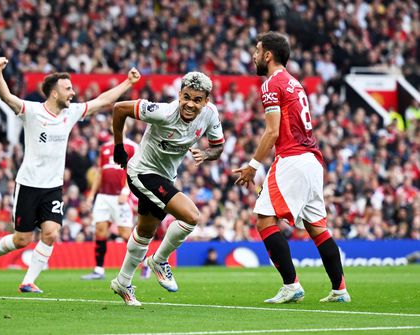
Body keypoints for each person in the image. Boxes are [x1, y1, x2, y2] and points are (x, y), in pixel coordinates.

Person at [0, 56, 141, 293]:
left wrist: (127, 82)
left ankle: (28, 281)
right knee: (22, 239)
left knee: (51, 233)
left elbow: (102, 101)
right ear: (54, 93)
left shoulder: (71, 113)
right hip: (28, 184)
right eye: (68, 89)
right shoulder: (31, 111)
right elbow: (6, 97)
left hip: (53, 187)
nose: (72, 93)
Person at [233, 32, 350, 303]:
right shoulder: (294, 83)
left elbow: (272, 132)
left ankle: (291, 285)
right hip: (312, 161)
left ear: (268, 55)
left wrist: (252, 165)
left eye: (257, 50)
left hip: (292, 158)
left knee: (263, 219)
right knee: (317, 227)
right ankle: (340, 289)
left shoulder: (271, 84)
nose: (253, 55)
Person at [109, 72, 225, 306]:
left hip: (165, 177)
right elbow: (119, 108)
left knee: (145, 232)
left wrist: (206, 154)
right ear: (179, 95)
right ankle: (160, 259)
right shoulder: (162, 112)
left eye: (197, 100)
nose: (190, 104)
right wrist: (119, 146)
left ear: (206, 102)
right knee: (191, 216)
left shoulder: (210, 116)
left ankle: (122, 282)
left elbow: (218, 147)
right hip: (142, 172)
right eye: (186, 97)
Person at [80, 134, 142, 280]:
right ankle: (98, 270)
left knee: (125, 234)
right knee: (100, 231)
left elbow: (135, 169)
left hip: (119, 196)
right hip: (103, 196)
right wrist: (91, 195)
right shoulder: (105, 148)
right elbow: (100, 173)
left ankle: (146, 263)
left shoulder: (132, 146)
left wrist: (126, 191)